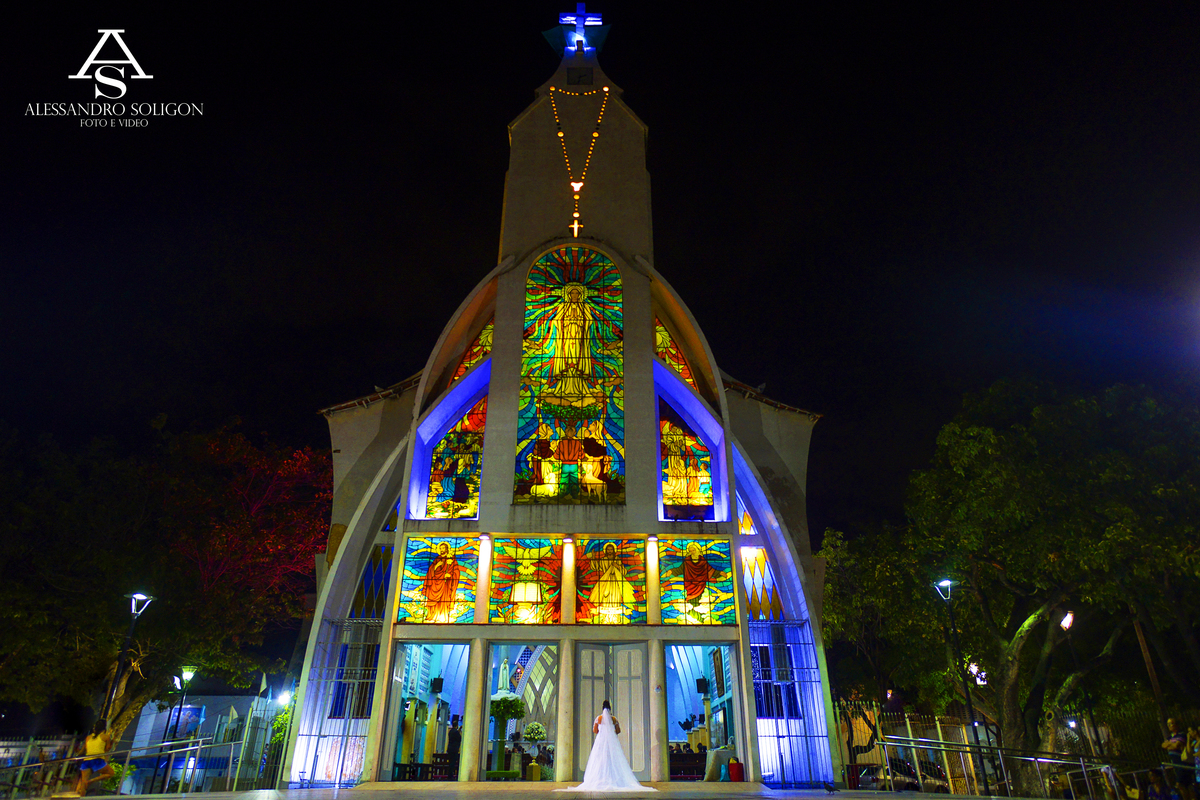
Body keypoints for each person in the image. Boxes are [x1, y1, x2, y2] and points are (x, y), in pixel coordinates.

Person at [555, 700, 656, 792]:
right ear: (610, 708)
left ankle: (600, 778)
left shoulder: (598, 718)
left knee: (599, 759)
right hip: (612, 742)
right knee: (613, 759)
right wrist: (611, 731)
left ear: (602, 707)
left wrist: (602, 731)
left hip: (600, 742)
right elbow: (618, 730)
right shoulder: (614, 719)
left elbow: (595, 730)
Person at [75, 720, 114, 796]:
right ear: (104, 728)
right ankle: (91, 781)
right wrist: (113, 740)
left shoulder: (88, 737)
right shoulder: (106, 737)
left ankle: (81, 797)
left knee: (83, 782)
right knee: (111, 773)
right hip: (97, 760)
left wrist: (76, 753)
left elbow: (82, 750)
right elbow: (107, 749)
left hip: (86, 760)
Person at [1164, 718, 1194, 800]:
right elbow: (1163, 745)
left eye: (1171, 723)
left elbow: (1176, 745)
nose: (1169, 725)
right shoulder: (1170, 737)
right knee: (1187, 784)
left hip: (1182, 762)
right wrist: (1171, 744)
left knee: (1179, 784)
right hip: (1175, 764)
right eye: (1168, 724)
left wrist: (1169, 744)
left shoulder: (1181, 735)